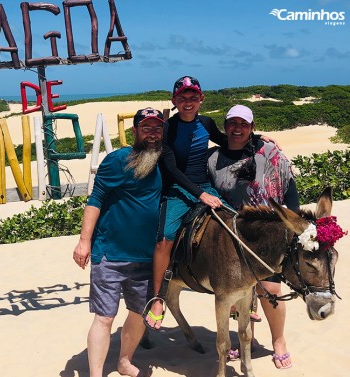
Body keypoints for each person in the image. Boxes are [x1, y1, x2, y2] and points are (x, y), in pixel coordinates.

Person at [73, 107, 165, 377]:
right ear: (135, 131)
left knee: (138, 313)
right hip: (110, 255)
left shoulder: (164, 161)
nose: (152, 133)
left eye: (157, 128)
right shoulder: (117, 160)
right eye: (146, 128)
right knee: (104, 318)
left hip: (147, 258)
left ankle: (124, 361)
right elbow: (95, 199)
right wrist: (84, 241)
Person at [207, 104, 298, 369]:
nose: (237, 128)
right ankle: (247, 340)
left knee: (269, 289)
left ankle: (279, 341)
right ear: (225, 127)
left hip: (268, 234)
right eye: (232, 123)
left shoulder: (268, 152)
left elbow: (289, 188)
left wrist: (290, 223)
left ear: (252, 127)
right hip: (233, 235)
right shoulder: (212, 159)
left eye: (243, 124)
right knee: (239, 293)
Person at [144, 76, 227, 330]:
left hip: (205, 186)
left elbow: (227, 141)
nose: (188, 102)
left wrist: (260, 140)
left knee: (232, 225)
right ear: (174, 101)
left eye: (193, 97)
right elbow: (170, 168)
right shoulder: (167, 129)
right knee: (165, 238)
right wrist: (200, 195)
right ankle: (157, 298)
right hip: (177, 190)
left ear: (201, 99)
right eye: (182, 98)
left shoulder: (207, 123)